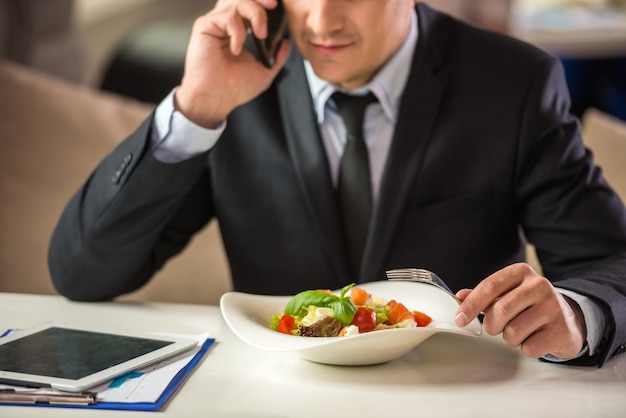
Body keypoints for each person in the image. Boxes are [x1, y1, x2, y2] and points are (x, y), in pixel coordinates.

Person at [48, 0, 626, 367]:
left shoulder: (514, 81)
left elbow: (611, 262)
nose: (320, 22)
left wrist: (574, 316)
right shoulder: (235, 81)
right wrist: (196, 108)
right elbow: (83, 273)